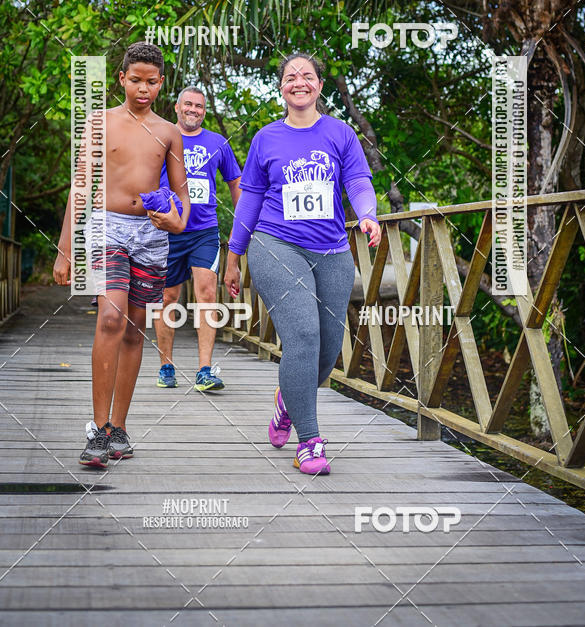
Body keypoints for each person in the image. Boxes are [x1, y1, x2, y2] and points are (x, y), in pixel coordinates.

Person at [224, 53, 381, 475]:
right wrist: (234, 257)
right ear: (281, 88)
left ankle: (287, 400)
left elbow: (358, 181)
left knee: (327, 354)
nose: (299, 82)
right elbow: (251, 201)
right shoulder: (266, 138)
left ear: (318, 86)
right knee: (304, 335)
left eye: (307, 76)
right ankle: (310, 443)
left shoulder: (340, 133)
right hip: (276, 245)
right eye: (290, 77)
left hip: (331, 251)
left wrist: (367, 213)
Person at [53, 42, 190, 468]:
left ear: (161, 82)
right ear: (121, 79)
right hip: (105, 226)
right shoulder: (99, 122)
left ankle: (118, 427)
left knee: (134, 328)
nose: (143, 89)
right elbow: (79, 186)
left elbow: (181, 195)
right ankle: (96, 431)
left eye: (151, 82)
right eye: (135, 81)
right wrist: (65, 251)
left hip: (150, 234)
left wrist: (178, 222)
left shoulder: (168, 132)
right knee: (110, 316)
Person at [154, 86, 242, 391]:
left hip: (204, 232)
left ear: (204, 111)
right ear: (177, 108)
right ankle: (166, 365)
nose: (194, 110)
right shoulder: (161, 136)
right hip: (168, 231)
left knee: (207, 294)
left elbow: (236, 184)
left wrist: (240, 226)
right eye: (188, 104)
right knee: (168, 298)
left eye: (200, 106)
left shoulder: (218, 143)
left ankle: (205, 370)